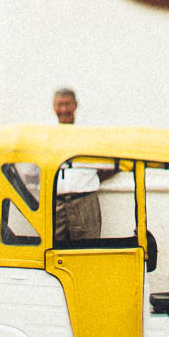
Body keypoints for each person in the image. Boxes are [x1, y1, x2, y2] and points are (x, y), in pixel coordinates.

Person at [51, 85, 112, 240]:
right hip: (56, 204)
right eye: (60, 105)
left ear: (75, 105)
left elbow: (111, 163)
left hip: (84, 202)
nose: (63, 109)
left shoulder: (88, 133)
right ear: (54, 107)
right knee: (55, 252)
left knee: (88, 251)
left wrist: (90, 180)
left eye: (67, 104)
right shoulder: (48, 135)